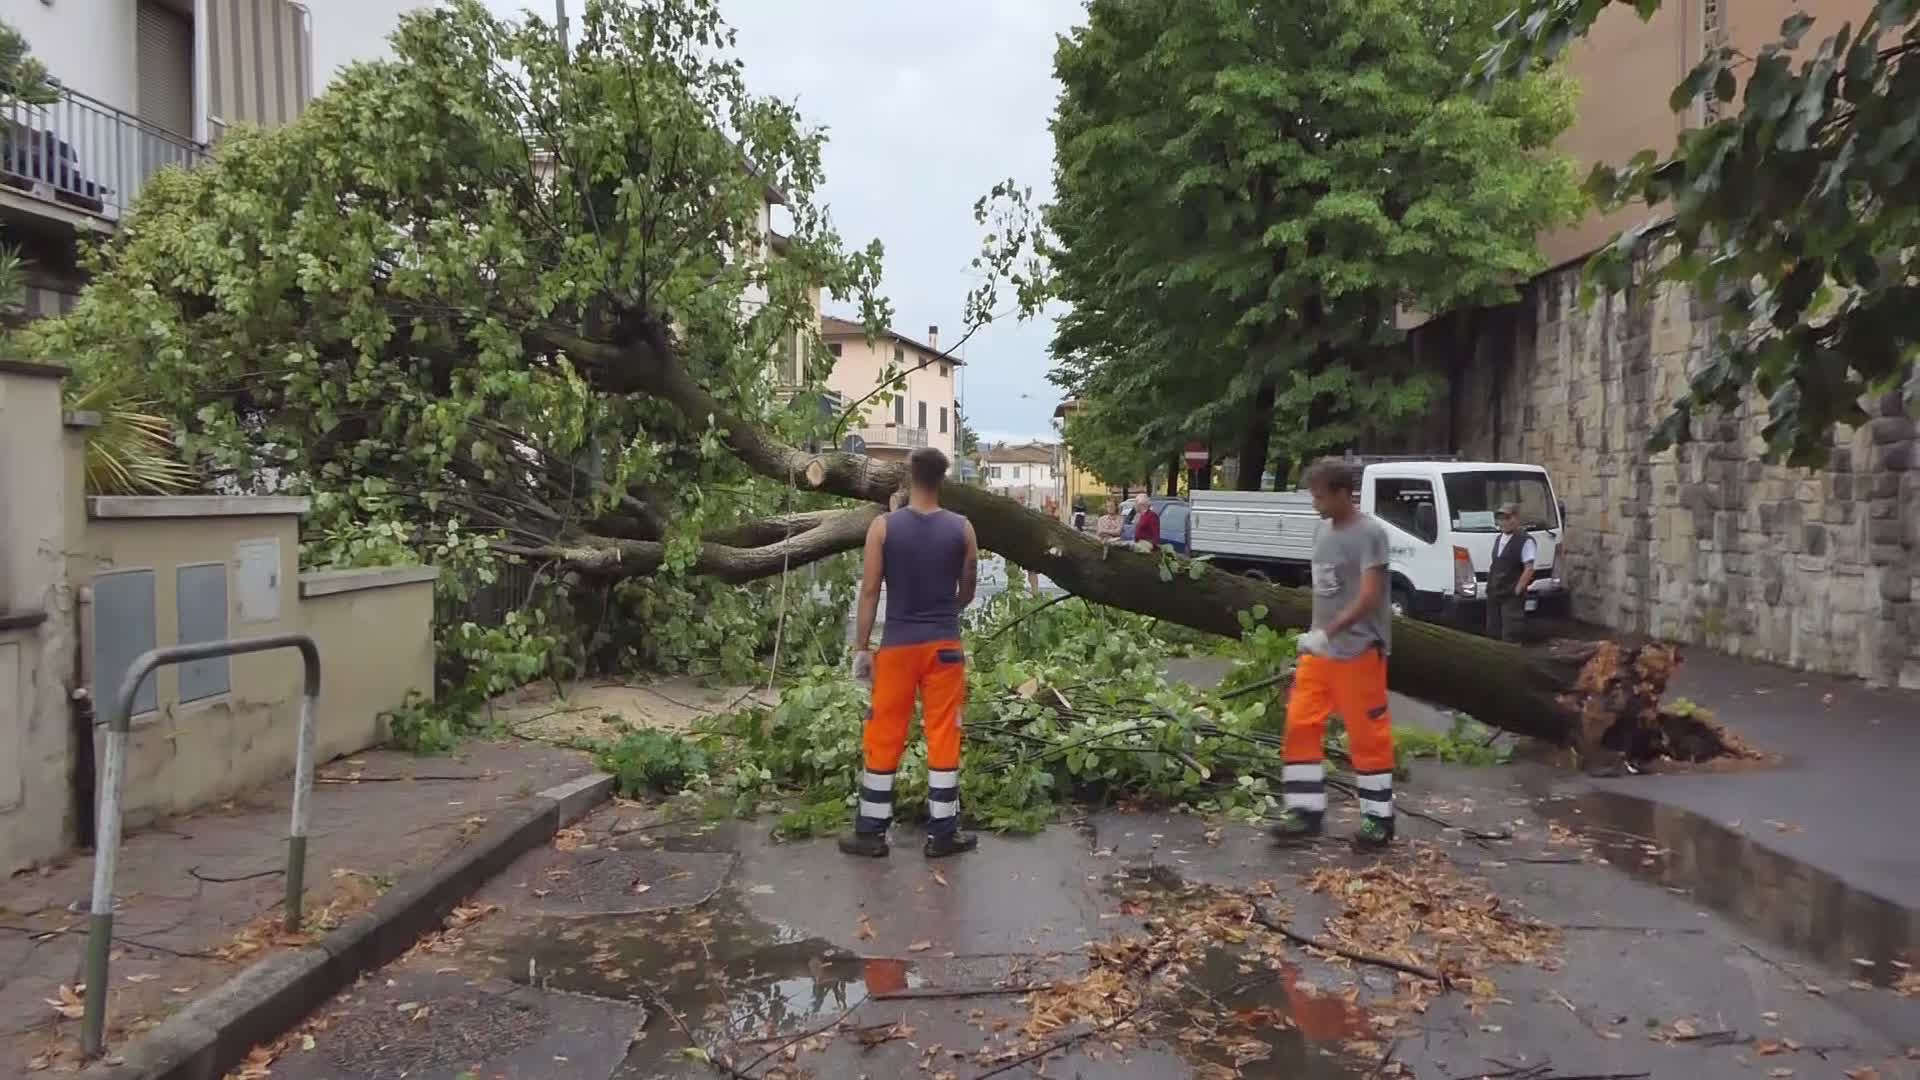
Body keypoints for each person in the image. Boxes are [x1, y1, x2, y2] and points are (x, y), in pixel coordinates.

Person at [842, 446, 981, 859]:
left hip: (897, 648)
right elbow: (968, 584)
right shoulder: (963, 528)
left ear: (907, 477)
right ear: (942, 480)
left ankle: (870, 832)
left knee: (885, 732)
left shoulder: (883, 528)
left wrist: (862, 647)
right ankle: (943, 833)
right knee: (943, 733)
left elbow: (869, 591)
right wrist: (949, 608)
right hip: (944, 648)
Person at [1270, 460, 1396, 850]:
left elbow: (1370, 595)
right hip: (1320, 653)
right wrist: (1316, 635)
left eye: (1320, 495)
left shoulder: (1371, 533)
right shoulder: (1321, 531)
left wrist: (1328, 631)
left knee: (1367, 735)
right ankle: (1304, 811)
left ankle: (1379, 821)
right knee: (1300, 723)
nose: (1315, 503)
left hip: (1359, 650)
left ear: (1344, 493)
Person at [1486, 502, 1537, 643]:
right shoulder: (1498, 538)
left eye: (1507, 518)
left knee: (1511, 634)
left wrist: (1517, 590)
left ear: (1516, 519)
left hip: (1511, 596)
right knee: (1493, 631)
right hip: (1495, 593)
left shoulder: (1525, 541)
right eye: (1501, 518)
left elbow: (1529, 568)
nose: (1503, 522)